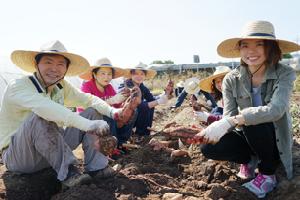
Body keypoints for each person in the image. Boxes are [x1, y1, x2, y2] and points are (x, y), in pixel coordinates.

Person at [192, 21, 299, 198]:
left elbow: (277, 109)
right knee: (208, 147)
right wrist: (216, 128)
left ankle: (267, 173)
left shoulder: (284, 73)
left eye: (260, 44)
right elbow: (230, 116)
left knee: (251, 118)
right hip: (249, 135)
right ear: (239, 50)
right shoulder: (231, 79)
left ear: (271, 48)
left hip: (274, 137)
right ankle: (250, 160)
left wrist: (234, 120)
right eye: (245, 45)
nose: (251, 51)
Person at [0, 41, 125, 189]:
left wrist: (114, 112)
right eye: (48, 62)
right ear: (36, 64)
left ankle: (97, 168)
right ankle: (69, 172)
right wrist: (88, 125)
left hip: (51, 148)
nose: (54, 69)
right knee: (41, 116)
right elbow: (46, 108)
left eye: (60, 64)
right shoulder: (19, 86)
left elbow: (88, 99)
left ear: (66, 68)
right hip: (21, 156)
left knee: (92, 111)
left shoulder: (61, 86)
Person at [79, 57, 135, 155]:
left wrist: (125, 100)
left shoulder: (109, 87)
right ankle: (110, 150)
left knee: (132, 111)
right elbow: (87, 106)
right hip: (89, 120)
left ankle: (121, 143)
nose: (107, 77)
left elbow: (117, 105)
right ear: (94, 75)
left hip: (106, 121)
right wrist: (112, 100)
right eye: (103, 73)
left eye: (109, 74)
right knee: (107, 114)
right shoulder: (87, 86)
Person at [125, 62, 172, 138]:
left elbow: (151, 99)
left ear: (145, 76)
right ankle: (137, 134)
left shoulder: (142, 86)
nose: (139, 76)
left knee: (150, 105)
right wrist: (159, 101)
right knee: (145, 106)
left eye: (142, 74)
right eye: (136, 74)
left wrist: (165, 93)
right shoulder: (128, 86)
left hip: (134, 115)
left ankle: (144, 133)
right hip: (124, 118)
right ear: (131, 75)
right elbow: (138, 105)